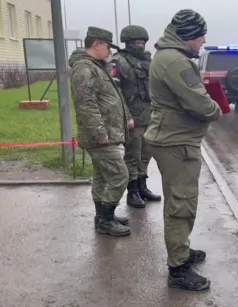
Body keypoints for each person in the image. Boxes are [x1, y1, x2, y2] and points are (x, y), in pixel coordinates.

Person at [144, 9, 222, 291]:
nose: (203, 40)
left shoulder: (169, 57)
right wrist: (215, 108)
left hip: (173, 138)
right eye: (200, 35)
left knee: (180, 201)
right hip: (176, 142)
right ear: (188, 36)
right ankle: (178, 269)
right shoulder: (175, 61)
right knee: (181, 204)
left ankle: (182, 251)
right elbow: (200, 104)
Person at [69, 27, 133, 236]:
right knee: (120, 175)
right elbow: (85, 104)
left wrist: (127, 118)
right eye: (107, 46)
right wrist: (100, 133)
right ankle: (106, 219)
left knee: (102, 177)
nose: (109, 51)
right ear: (96, 44)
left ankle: (102, 217)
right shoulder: (84, 69)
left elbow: (110, 96)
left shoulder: (98, 66)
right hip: (101, 137)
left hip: (107, 133)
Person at [111, 25, 162, 209]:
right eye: (136, 42)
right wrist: (126, 116)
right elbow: (115, 93)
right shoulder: (118, 61)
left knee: (146, 155)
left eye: (142, 42)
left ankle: (142, 187)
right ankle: (132, 192)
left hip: (149, 117)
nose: (140, 45)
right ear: (128, 42)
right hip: (132, 118)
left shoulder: (147, 61)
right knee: (132, 156)